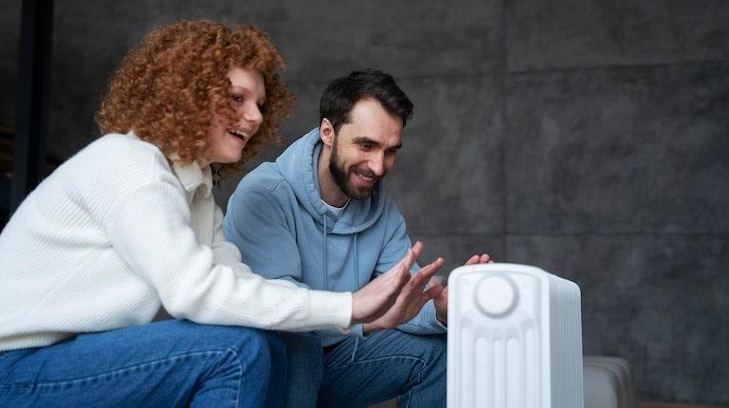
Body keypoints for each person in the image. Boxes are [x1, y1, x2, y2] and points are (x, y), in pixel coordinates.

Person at [0, 23, 440, 407]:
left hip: (73, 357)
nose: (254, 116)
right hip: (16, 369)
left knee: (262, 343)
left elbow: (242, 284)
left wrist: (368, 314)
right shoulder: (132, 165)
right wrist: (350, 306)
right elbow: (193, 293)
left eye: (260, 104)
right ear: (188, 96)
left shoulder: (194, 187)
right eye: (236, 98)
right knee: (236, 349)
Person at [223, 69, 491, 407]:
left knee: (440, 352)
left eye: (390, 151)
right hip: (269, 366)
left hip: (337, 359)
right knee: (300, 343)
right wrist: (363, 317)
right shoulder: (264, 195)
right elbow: (278, 306)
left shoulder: (381, 212)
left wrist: (440, 309)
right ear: (327, 132)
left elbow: (403, 305)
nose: (378, 167)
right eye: (366, 145)